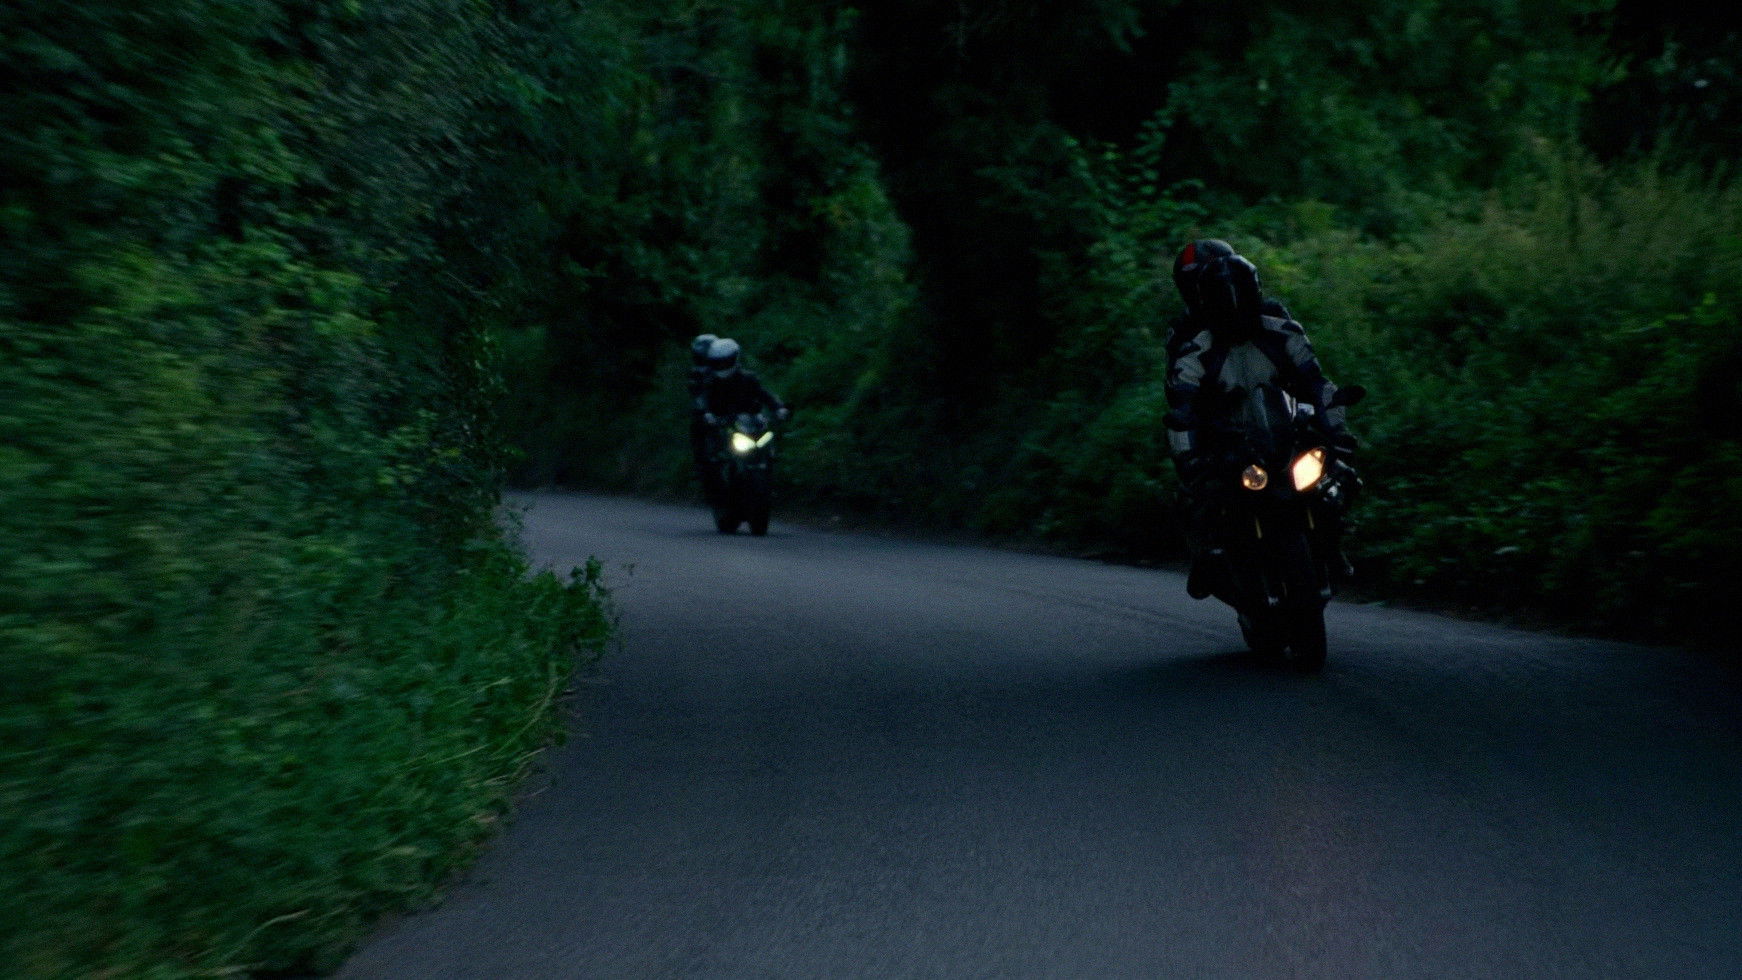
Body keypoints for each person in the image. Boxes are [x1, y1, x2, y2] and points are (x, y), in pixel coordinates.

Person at [1163, 239, 1358, 596]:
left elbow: (1316, 382)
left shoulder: (1278, 326)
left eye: (1238, 291)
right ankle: (1209, 557)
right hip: (1225, 434)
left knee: (1340, 476)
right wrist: (1193, 451)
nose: (1232, 301)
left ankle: (1331, 543)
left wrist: (1334, 431)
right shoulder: (1190, 341)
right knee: (1198, 495)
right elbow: (1181, 402)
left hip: (1280, 424)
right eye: (1216, 290)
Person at [692, 338, 790, 492]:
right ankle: (717, 483)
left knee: (770, 441)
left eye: (725, 362)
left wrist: (778, 408)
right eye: (718, 363)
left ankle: (773, 475)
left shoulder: (748, 378)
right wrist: (707, 414)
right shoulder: (711, 383)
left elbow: (764, 394)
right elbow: (703, 400)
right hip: (725, 424)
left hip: (752, 423)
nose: (722, 366)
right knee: (714, 454)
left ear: (734, 359)